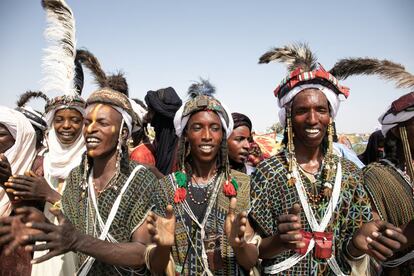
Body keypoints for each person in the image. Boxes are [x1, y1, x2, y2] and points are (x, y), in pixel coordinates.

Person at [247, 43, 407, 275]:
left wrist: (358, 243)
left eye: (321, 110)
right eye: (302, 111)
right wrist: (281, 241)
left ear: (330, 116)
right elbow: (258, 250)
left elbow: (351, 252)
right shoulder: (270, 171)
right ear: (289, 118)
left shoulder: (350, 174)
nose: (313, 119)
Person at [1, 88, 167, 275]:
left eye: (102, 123)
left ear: (123, 132)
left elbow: (142, 252)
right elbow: (70, 229)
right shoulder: (77, 177)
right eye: (87, 122)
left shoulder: (140, 180)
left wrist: (79, 241)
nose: (90, 129)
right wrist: (42, 222)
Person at [145, 79, 254, 275]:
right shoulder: (166, 187)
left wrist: (240, 246)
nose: (206, 135)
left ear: (222, 135)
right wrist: (163, 247)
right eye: (197, 127)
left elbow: (250, 261)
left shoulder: (242, 184)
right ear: (185, 134)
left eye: (214, 128)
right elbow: (155, 267)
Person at [0, 106, 37, 276]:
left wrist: (8, 181)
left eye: (1, 135)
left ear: (19, 139)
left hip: (16, 261)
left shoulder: (37, 168)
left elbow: (33, 218)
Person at [145, 87, 182, 175]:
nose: (149, 118)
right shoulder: (157, 142)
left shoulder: (182, 151)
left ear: (161, 116)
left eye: (151, 112)